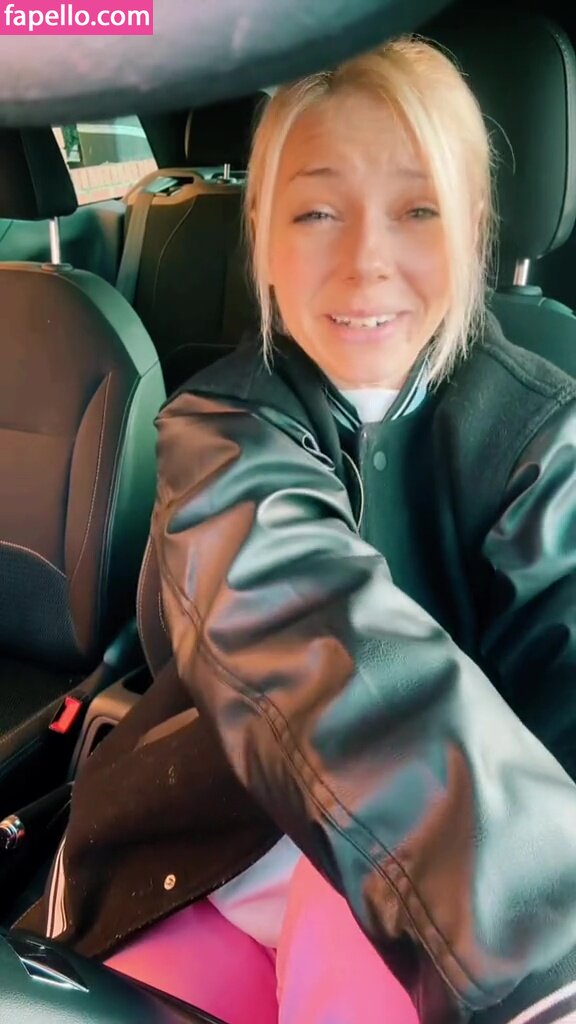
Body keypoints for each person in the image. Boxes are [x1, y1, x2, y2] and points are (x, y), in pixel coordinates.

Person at [17, 35, 576, 1024]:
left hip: (442, 905)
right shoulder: (221, 421)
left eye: (418, 210)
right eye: (317, 212)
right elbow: (285, 600)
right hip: (199, 844)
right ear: (264, 242)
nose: (366, 262)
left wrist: (539, 931)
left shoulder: (546, 441)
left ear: (473, 230)